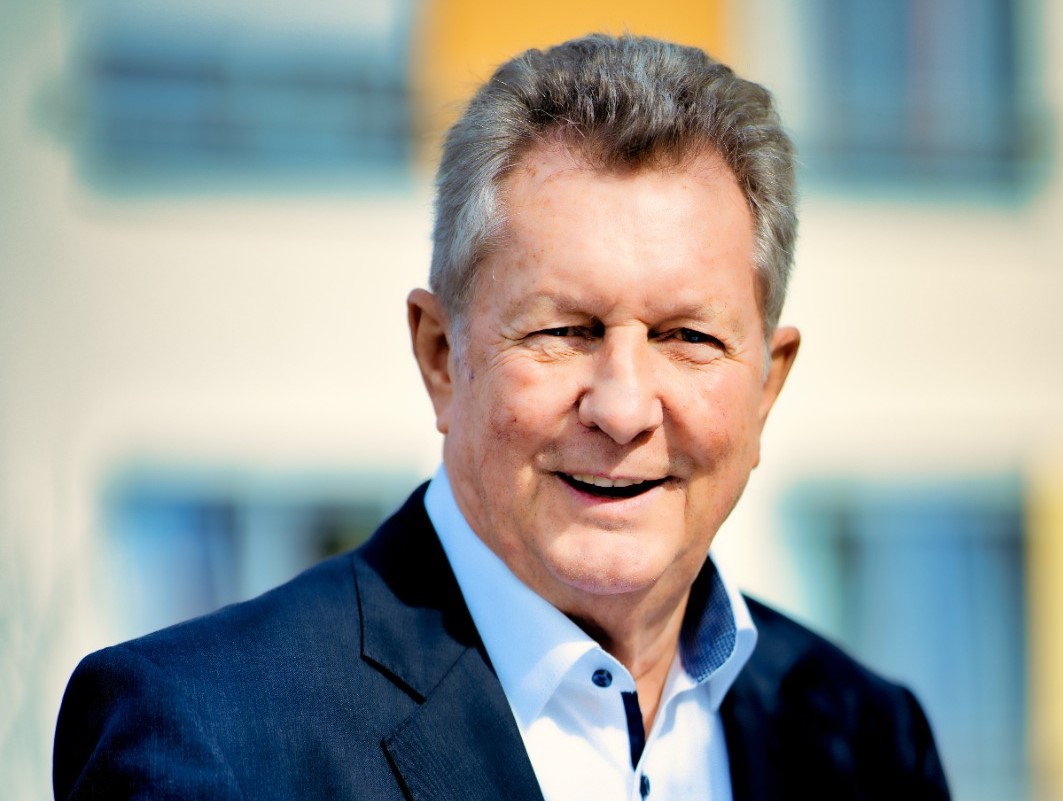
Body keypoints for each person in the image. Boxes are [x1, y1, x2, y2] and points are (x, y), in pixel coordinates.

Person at [53, 34, 950, 800]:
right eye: (564, 330)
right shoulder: (206, 735)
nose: (623, 408)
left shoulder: (870, 741)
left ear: (766, 386)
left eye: (686, 336)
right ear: (442, 357)